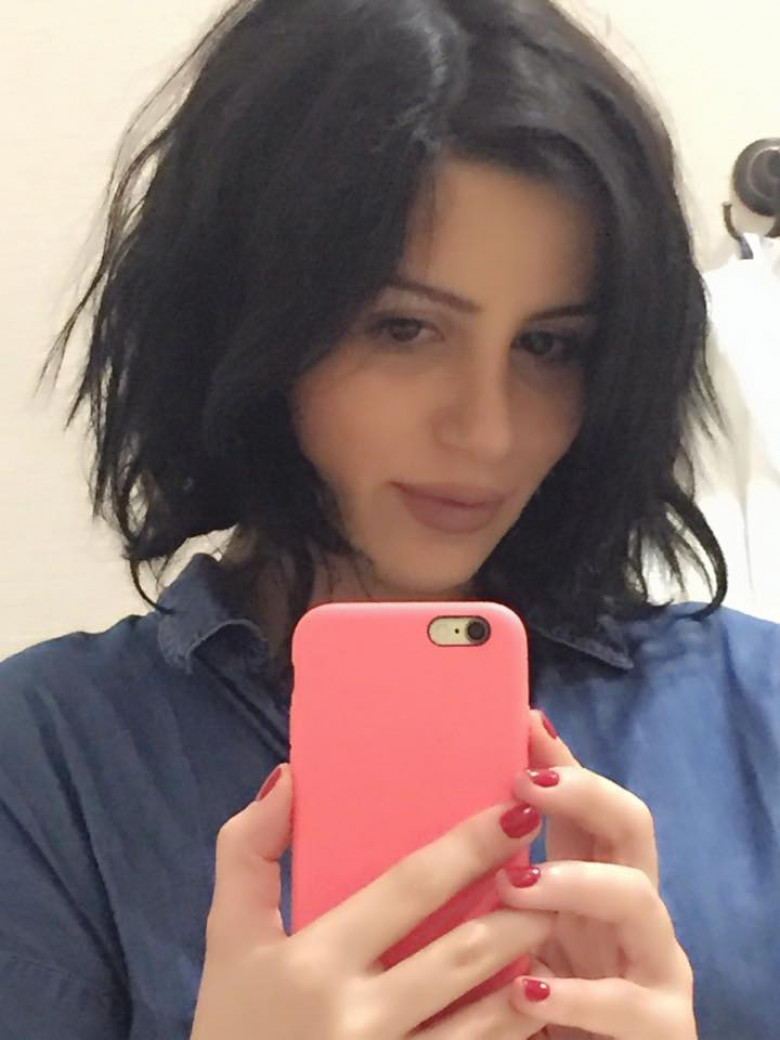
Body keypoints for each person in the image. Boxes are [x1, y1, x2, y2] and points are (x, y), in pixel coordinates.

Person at [1, 0, 778, 1036]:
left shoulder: (757, 707)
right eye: (404, 328)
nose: (489, 432)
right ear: (242, 319)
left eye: (550, 345)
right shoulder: (47, 759)